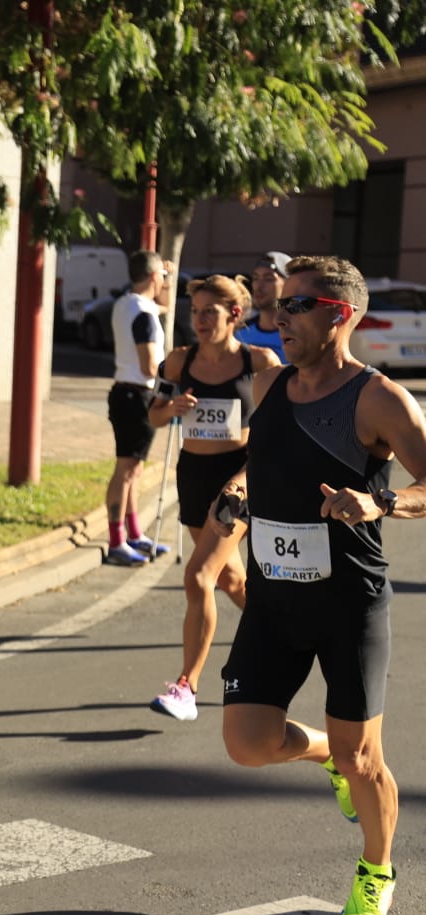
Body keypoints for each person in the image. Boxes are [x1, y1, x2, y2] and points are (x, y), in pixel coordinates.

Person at [216, 254, 426, 915]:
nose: (279, 317)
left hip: (348, 604)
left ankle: (377, 869)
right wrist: (238, 489)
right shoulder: (271, 382)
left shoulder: (378, 398)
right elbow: (265, 457)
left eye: (296, 306)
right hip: (274, 599)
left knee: (363, 757)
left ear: (340, 316)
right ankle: (322, 755)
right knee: (247, 743)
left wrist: (380, 502)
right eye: (278, 305)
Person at [147, 275, 281, 721]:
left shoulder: (259, 361)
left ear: (234, 315)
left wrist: (248, 476)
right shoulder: (178, 361)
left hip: (238, 480)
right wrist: (172, 410)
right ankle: (283, 634)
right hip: (194, 476)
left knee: (199, 576)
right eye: (196, 312)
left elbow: (279, 426)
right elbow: (153, 415)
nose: (200, 320)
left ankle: (187, 687)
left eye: (210, 312)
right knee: (231, 580)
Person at [104, 250, 177, 566]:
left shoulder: (126, 303)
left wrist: (168, 279)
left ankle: (133, 534)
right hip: (137, 395)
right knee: (126, 470)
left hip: (126, 393)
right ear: (153, 276)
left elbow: (166, 306)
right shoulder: (144, 314)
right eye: (162, 275)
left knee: (133, 469)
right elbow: (150, 366)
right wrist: (171, 382)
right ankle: (117, 541)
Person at [235, 251, 291, 363]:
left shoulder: (298, 336)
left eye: (268, 279)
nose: (259, 286)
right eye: (255, 278)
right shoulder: (239, 333)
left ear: (288, 285)